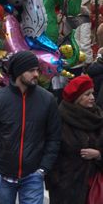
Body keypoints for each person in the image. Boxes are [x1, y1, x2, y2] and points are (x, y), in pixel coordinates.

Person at [0, 51, 61, 204]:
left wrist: (43, 169)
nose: (36, 74)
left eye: (37, 70)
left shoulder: (47, 100)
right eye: (31, 70)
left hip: (33, 176)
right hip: (2, 176)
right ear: (18, 72)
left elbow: (54, 137)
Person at [45, 75, 103, 203]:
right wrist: (56, 181)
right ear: (77, 98)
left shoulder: (98, 118)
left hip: (94, 187)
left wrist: (98, 154)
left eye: (92, 93)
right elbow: (51, 151)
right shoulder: (60, 119)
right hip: (66, 188)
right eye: (87, 94)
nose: (92, 98)